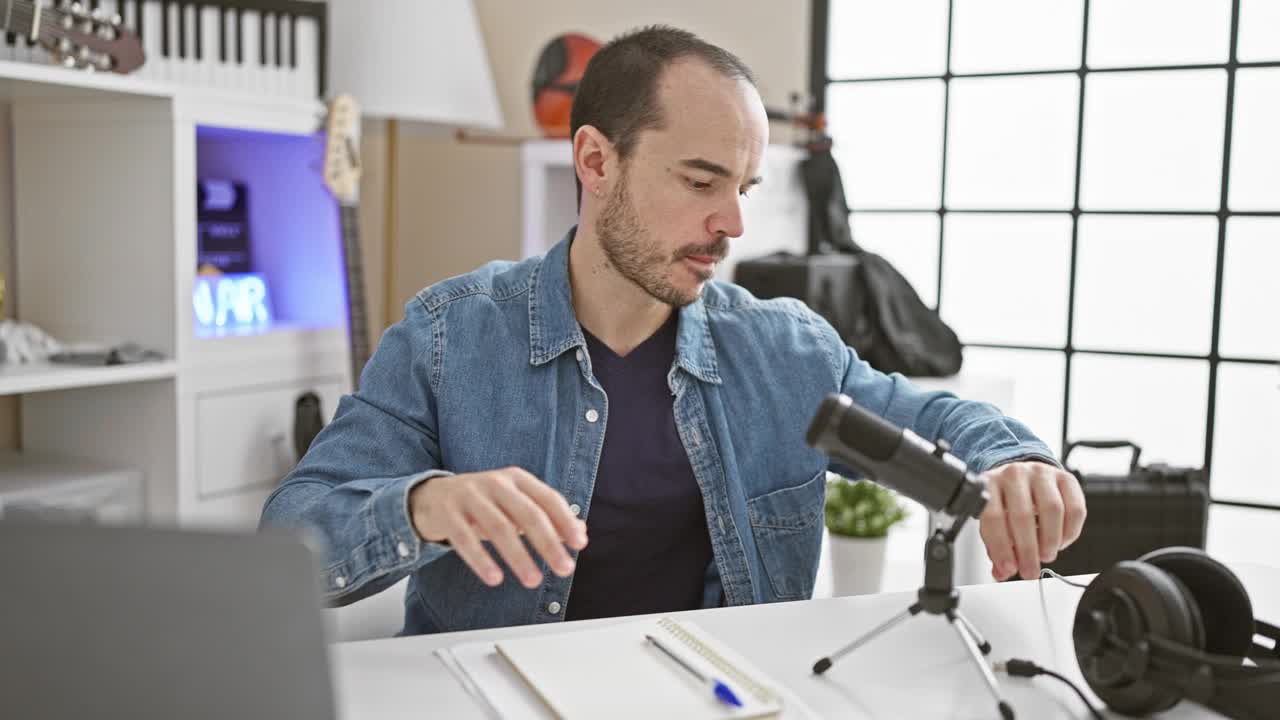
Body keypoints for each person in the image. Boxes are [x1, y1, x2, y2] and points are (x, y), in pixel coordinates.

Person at [262, 25, 1086, 635]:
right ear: (595, 161)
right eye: (700, 180)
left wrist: (1014, 459)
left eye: (744, 186)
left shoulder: (786, 349)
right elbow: (293, 537)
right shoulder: (449, 338)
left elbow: (933, 417)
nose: (731, 222)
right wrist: (427, 502)